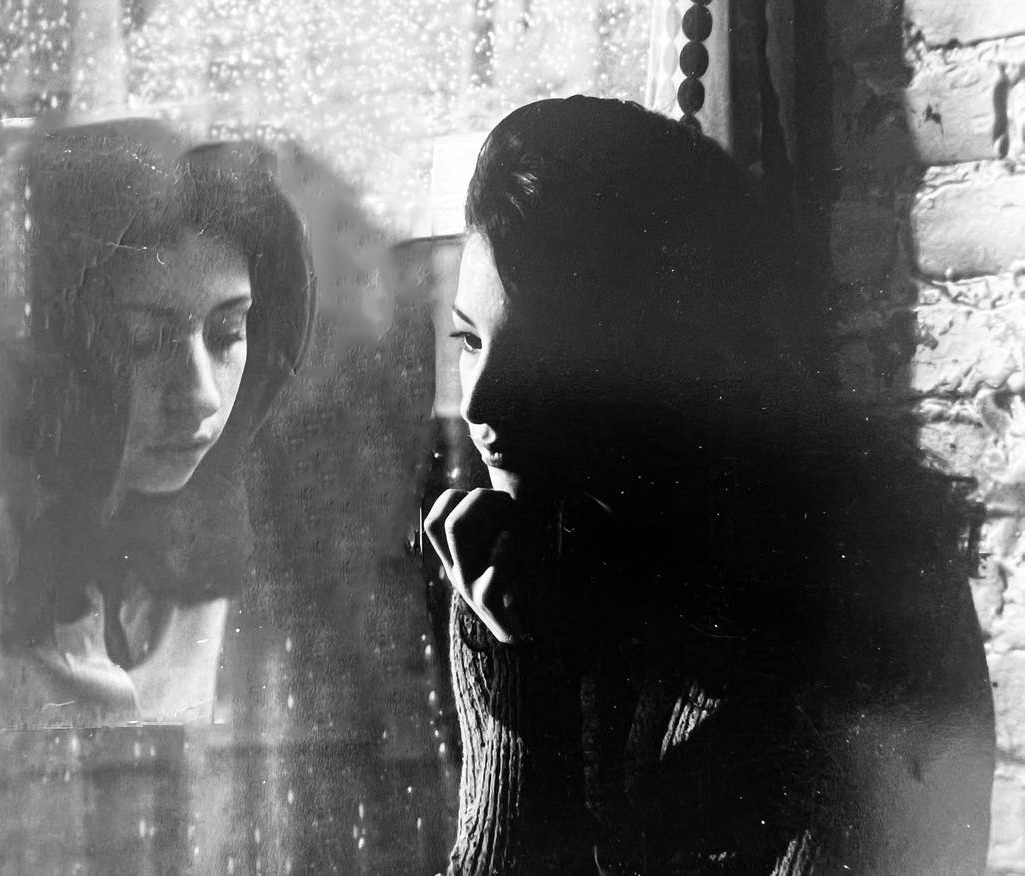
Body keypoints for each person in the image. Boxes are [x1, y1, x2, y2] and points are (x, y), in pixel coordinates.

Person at [424, 96, 995, 875]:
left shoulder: (859, 582)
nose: (481, 403)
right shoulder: (523, 556)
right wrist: (519, 661)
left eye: (539, 357)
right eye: (469, 341)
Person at [0, 118, 315, 728]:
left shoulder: (237, 557)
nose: (200, 396)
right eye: (143, 341)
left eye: (228, 333)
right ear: (58, 352)